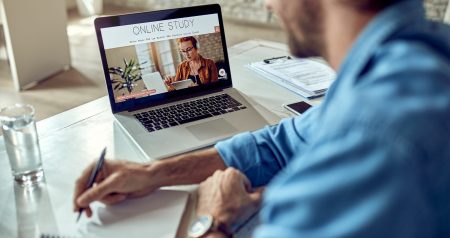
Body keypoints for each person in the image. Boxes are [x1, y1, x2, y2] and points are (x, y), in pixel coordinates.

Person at [73, 0, 450, 237]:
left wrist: (212, 221)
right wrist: (155, 172)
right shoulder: (400, 63)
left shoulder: (376, 132)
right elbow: (279, 143)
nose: (268, 5)